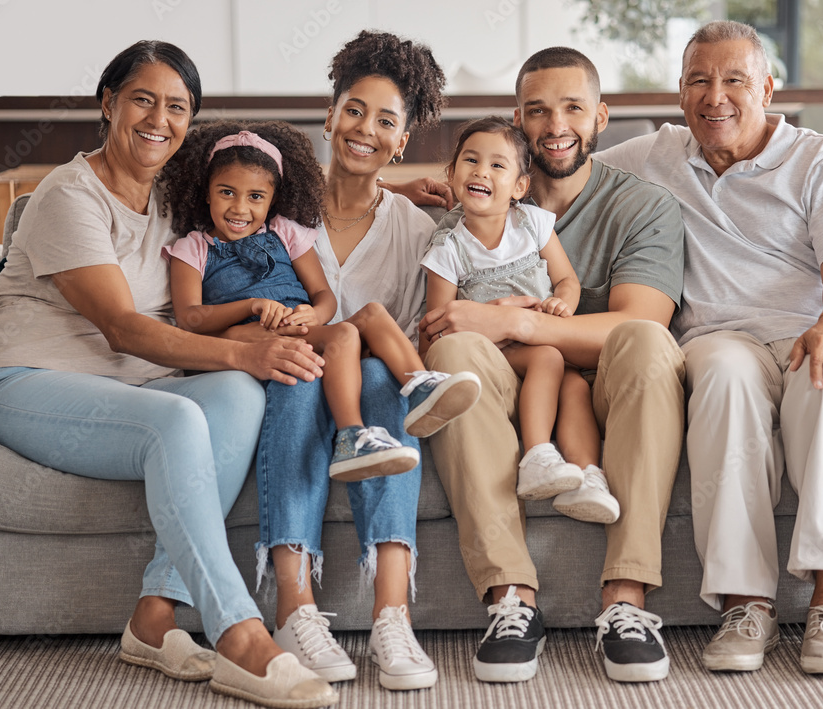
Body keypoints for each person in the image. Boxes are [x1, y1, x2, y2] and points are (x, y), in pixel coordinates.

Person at [0, 41, 338, 708]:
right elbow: (123, 328)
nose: (158, 118)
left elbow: (269, 198)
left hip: (127, 385)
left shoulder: (174, 198)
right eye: (143, 98)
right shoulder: (68, 195)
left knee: (234, 395)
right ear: (107, 104)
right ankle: (239, 632)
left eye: (178, 107)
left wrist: (402, 189)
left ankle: (154, 615)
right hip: (23, 380)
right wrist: (247, 350)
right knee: (181, 413)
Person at [596, 20, 823, 676]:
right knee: (722, 378)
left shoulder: (816, 158)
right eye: (700, 81)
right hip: (722, 338)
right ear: (679, 97)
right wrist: (432, 192)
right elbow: (553, 173)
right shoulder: (653, 156)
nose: (717, 96)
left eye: (735, 79)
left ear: (768, 88)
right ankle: (746, 601)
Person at [417, 48, 686, 684]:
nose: (555, 124)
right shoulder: (476, 203)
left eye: (572, 107)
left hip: (597, 394)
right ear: (517, 120)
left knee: (649, 343)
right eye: (537, 111)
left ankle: (626, 601)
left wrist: (518, 321)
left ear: (601, 117)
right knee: (454, 351)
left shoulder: (643, 206)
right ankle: (511, 601)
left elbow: (638, 323)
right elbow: (439, 317)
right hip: (501, 385)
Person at [252, 30, 449, 692]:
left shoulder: (417, 230)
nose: (365, 129)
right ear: (330, 115)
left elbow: (415, 342)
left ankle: (392, 615)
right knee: (300, 367)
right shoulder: (272, 210)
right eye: (354, 110)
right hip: (285, 378)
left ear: (403, 140)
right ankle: (295, 609)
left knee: (377, 372)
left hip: (373, 393)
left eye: (386, 121)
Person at [161, 121, 478, 482]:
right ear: (206, 192)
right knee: (343, 336)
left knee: (372, 314)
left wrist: (313, 314)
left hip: (304, 332)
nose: (240, 208)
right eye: (227, 192)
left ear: (272, 199)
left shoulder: (284, 231)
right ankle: (351, 436)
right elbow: (189, 319)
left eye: (255, 197)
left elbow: (323, 296)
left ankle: (422, 386)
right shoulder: (193, 248)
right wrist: (251, 306)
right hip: (253, 343)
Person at [422, 116, 619, 523]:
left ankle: (587, 477)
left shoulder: (532, 224)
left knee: (575, 387)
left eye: (498, 165)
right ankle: (536, 455)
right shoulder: (449, 247)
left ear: (520, 186)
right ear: (452, 174)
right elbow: (436, 326)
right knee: (548, 357)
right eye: (471, 161)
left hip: (542, 338)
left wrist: (563, 302)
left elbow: (566, 279)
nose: (481, 171)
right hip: (497, 355)